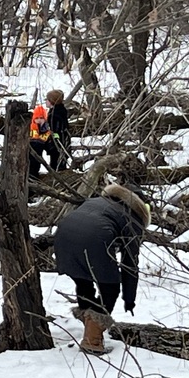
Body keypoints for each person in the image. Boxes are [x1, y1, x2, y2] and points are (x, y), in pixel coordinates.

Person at [54, 183, 151, 354]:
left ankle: (89, 325)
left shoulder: (97, 200)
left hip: (63, 238)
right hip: (94, 239)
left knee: (83, 282)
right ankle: (93, 340)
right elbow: (130, 264)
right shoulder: (131, 217)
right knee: (110, 289)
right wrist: (129, 299)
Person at [28, 104, 57, 181]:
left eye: (41, 118)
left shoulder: (46, 130)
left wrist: (56, 137)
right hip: (28, 153)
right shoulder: (30, 128)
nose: (39, 120)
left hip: (38, 155)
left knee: (36, 167)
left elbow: (50, 140)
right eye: (37, 118)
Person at [46, 89, 70, 170]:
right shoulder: (61, 110)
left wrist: (53, 138)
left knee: (56, 162)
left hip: (58, 143)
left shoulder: (55, 114)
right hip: (63, 140)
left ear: (52, 101)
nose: (46, 101)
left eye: (47, 100)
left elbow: (56, 129)